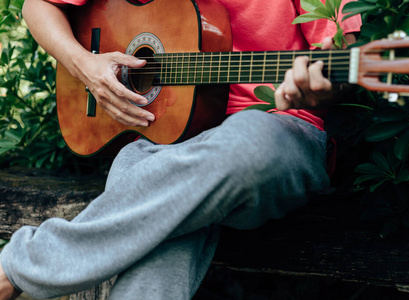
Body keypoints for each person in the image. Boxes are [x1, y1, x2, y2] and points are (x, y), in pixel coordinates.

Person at [0, 0, 361, 299]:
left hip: (273, 130)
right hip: (164, 143)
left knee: (243, 144)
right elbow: (38, 6)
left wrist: (320, 84)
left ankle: (18, 267)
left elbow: (339, 61)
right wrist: (87, 67)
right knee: (148, 216)